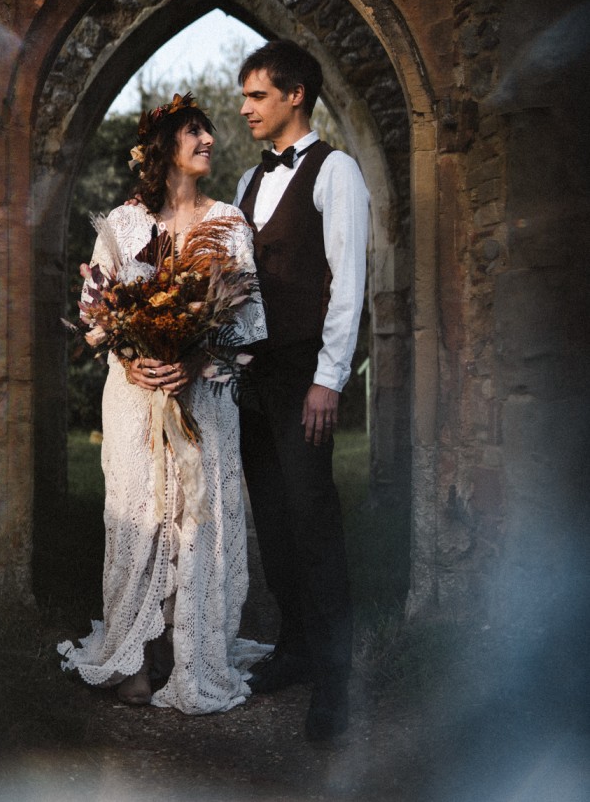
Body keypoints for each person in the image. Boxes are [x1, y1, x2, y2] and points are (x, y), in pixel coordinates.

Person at [58, 94, 270, 714]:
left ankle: (196, 656)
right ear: (162, 148)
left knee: (198, 522)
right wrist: (134, 356)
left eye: (208, 131)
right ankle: (133, 658)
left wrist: (196, 361)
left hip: (202, 400)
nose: (207, 139)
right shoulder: (122, 226)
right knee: (140, 516)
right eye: (193, 131)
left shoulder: (229, 224)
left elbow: (250, 326)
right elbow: (94, 321)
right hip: (134, 399)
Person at [233, 40, 370, 744]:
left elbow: (348, 283)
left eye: (257, 95)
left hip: (303, 377)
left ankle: (337, 683)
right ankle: (294, 650)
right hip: (254, 380)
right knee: (276, 523)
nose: (246, 107)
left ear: (294, 95)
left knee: (314, 522)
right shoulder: (248, 184)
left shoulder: (335, 170)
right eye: (245, 95)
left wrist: (328, 378)